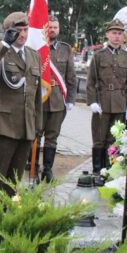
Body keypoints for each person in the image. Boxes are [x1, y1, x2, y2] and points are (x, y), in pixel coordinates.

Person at [0, 12, 42, 194]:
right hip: (3, 126)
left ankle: (9, 215)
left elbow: (36, 95)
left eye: (25, 30)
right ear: (8, 31)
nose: (22, 35)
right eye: (18, 31)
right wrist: (5, 44)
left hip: (25, 127)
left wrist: (37, 125)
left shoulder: (33, 55)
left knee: (14, 179)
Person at [86, 19, 127, 174]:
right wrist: (92, 101)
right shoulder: (99, 55)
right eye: (114, 33)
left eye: (120, 34)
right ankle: (96, 171)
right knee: (99, 138)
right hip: (102, 102)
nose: (117, 37)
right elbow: (91, 81)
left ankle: (109, 171)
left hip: (120, 102)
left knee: (114, 139)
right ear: (107, 34)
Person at [39, 14, 76, 181]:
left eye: (55, 27)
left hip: (57, 101)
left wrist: (70, 101)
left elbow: (71, 77)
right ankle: (31, 167)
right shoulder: (36, 46)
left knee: (52, 137)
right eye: (50, 27)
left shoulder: (65, 49)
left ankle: (47, 169)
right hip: (39, 99)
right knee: (34, 135)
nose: (53, 30)